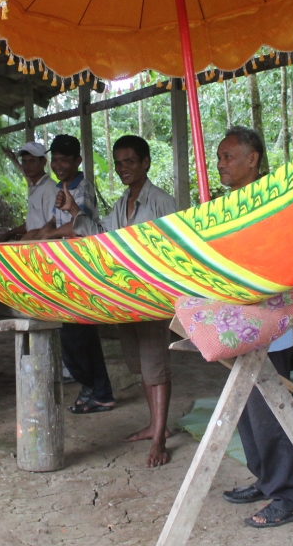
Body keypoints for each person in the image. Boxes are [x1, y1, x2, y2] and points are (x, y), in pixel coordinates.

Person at [58, 135, 178, 467]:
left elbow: (177, 247)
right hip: (127, 299)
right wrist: (74, 212)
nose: (123, 167)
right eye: (118, 161)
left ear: (145, 163)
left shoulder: (161, 202)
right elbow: (103, 236)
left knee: (156, 366)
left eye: (129, 161)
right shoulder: (122, 203)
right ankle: (156, 425)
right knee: (141, 365)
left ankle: (158, 440)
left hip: (154, 298)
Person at [216, 126, 293, 528]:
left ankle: (287, 496)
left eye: (227, 157)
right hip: (238, 323)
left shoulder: (270, 202)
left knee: (271, 413)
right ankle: (265, 479)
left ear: (252, 159)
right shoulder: (228, 204)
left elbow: (290, 256)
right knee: (246, 412)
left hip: (267, 324)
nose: (220, 164)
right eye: (218, 158)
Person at [42, 134, 114, 414]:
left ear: (78, 161)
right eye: (55, 159)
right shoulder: (65, 187)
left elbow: (76, 226)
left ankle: (97, 390)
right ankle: (97, 391)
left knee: (76, 336)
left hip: (80, 271)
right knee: (79, 335)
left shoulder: (81, 190)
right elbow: (56, 222)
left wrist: (43, 238)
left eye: (64, 160)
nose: (58, 165)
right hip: (67, 270)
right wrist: (37, 234)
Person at [1, 142, 56, 242]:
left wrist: (29, 241)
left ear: (43, 162)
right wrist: (9, 233)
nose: (27, 166)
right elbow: (31, 225)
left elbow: (54, 224)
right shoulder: (34, 187)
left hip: (42, 245)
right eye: (24, 161)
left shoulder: (50, 188)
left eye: (31, 161)